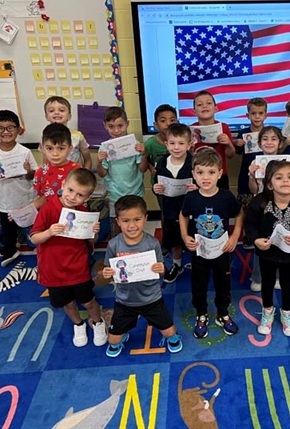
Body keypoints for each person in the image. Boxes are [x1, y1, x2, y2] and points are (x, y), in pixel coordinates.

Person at [29, 168, 107, 348]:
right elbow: (33, 238)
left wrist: (93, 233)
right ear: (63, 185)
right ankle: (78, 324)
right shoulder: (48, 209)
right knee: (67, 302)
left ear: (87, 198)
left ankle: (97, 322)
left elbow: (91, 240)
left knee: (88, 300)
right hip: (53, 270)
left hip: (78, 268)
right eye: (70, 190)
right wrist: (49, 232)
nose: (72, 197)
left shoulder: (83, 212)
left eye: (80, 195)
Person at [100, 195, 183, 357]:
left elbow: (161, 271)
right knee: (112, 341)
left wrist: (161, 269)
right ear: (118, 221)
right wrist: (107, 272)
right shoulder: (113, 244)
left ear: (145, 218)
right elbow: (108, 271)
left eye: (137, 219)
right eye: (125, 221)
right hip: (124, 300)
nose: (132, 225)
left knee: (170, 334)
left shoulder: (152, 243)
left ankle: (171, 335)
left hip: (152, 299)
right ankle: (122, 334)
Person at [244, 160, 290, 337]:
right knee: (267, 282)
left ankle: (287, 312)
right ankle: (267, 311)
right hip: (266, 252)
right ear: (269, 183)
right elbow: (250, 224)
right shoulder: (260, 202)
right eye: (279, 177)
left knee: (287, 283)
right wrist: (256, 240)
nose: (285, 181)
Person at [180, 148, 244, 339]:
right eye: (200, 172)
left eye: (211, 172)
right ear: (193, 174)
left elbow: (239, 214)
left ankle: (222, 312)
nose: (205, 177)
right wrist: (184, 236)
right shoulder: (191, 197)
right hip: (199, 252)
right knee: (198, 284)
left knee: (223, 284)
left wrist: (235, 236)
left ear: (220, 173)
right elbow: (183, 216)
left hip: (222, 251)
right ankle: (201, 314)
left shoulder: (226, 197)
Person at [0, 110, 38, 267]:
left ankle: (39, 246)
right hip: (6, 201)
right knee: (8, 231)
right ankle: (10, 250)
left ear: (19, 130)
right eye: (0, 128)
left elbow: (34, 176)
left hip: (26, 198)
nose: (6, 132)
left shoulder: (24, 152)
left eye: (11, 127)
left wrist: (28, 171)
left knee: (33, 225)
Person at [152, 123, 198, 283]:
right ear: (166, 144)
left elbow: (205, 184)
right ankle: (177, 265)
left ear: (189, 144)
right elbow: (156, 183)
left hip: (191, 209)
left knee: (193, 237)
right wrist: (155, 188)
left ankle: (197, 263)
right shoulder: (162, 162)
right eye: (172, 143)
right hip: (170, 208)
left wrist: (197, 188)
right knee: (174, 239)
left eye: (181, 143)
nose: (176, 147)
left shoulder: (194, 162)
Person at [97, 106, 148, 236]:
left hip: (135, 192)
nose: (116, 130)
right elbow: (102, 173)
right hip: (115, 194)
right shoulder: (104, 148)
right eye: (111, 126)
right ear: (105, 126)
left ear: (127, 124)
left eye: (120, 126)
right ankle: (117, 252)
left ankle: (138, 252)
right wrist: (98, 161)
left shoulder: (135, 144)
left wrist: (143, 155)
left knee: (136, 224)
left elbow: (142, 169)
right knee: (117, 227)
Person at [247, 126, 286, 292]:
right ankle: (257, 277)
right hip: (262, 206)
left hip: (282, 205)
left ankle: (277, 277)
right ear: (259, 143)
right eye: (265, 139)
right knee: (262, 242)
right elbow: (254, 190)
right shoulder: (255, 163)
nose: (269, 142)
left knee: (280, 242)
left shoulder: (286, 162)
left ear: (280, 143)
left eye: (273, 139)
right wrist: (251, 175)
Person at [235, 97, 269, 248]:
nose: (257, 116)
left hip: (266, 178)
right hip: (246, 177)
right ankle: (248, 234)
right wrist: (237, 144)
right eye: (253, 113)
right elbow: (236, 152)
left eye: (260, 113)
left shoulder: (269, 133)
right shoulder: (243, 132)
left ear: (265, 115)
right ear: (247, 115)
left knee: (263, 207)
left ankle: (263, 232)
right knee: (247, 208)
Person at [191, 91, 235, 189]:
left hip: (220, 175)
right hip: (199, 175)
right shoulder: (191, 130)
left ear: (216, 108)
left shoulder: (223, 127)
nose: (204, 106)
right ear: (194, 111)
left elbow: (231, 155)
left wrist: (228, 144)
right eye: (199, 104)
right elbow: (188, 157)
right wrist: (189, 148)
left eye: (209, 103)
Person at [32, 123, 80, 209]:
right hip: (47, 219)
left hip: (70, 218)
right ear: (43, 148)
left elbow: (81, 198)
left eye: (61, 148)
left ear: (70, 148)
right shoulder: (40, 173)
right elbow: (39, 200)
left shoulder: (77, 171)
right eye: (49, 148)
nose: (55, 154)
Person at [43, 96, 92, 170]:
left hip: (75, 176)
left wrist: (84, 175)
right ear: (46, 116)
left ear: (69, 116)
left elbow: (87, 160)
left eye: (62, 110)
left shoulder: (78, 136)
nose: (56, 113)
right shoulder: (44, 137)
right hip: (54, 178)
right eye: (51, 111)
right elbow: (45, 163)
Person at [145, 104, 178, 197]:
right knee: (165, 209)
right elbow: (145, 158)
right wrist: (150, 167)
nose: (168, 123)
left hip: (179, 183)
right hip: (160, 185)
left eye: (172, 120)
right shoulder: (150, 143)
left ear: (177, 122)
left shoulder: (181, 141)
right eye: (163, 121)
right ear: (155, 125)